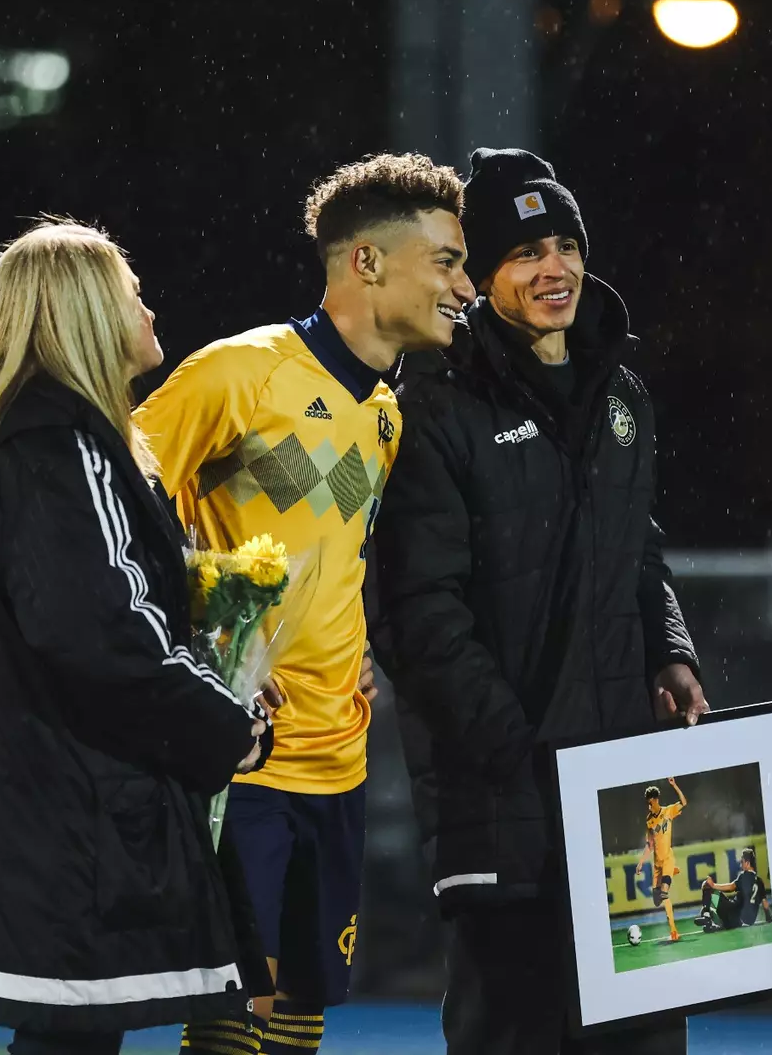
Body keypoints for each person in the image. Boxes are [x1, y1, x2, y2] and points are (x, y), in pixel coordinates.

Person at [133, 153, 474, 1055]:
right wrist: (198, 634)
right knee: (233, 1015)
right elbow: (112, 500)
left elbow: (335, 556)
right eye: (444, 260)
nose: (465, 286)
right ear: (366, 263)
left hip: (339, 751)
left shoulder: (389, 414)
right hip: (243, 752)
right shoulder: (239, 373)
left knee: (299, 1014)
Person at [372, 147, 708, 1055]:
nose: (553, 268)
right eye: (524, 253)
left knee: (643, 1041)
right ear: (480, 278)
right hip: (506, 799)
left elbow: (636, 552)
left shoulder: (622, 395)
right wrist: (519, 749)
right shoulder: (436, 404)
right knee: (516, 1036)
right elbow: (415, 615)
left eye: (564, 244)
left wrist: (669, 651)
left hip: (620, 796)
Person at [0, 220, 273, 1055]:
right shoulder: (59, 446)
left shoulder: (59, 444)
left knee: (70, 1046)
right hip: (75, 822)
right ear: (83, 317)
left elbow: (113, 616)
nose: (148, 307)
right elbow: (104, 632)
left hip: (68, 812)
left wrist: (219, 664)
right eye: (130, 291)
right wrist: (225, 723)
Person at [633, 778, 688, 942]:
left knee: (664, 894)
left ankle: (673, 931)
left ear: (656, 799)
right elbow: (649, 845)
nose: (649, 806)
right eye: (647, 803)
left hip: (667, 858)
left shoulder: (668, 811)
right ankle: (672, 872)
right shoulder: (649, 820)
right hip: (657, 864)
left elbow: (684, 802)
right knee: (657, 900)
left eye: (650, 802)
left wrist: (674, 785)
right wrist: (641, 861)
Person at [696, 849, 772, 932]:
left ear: (747, 863)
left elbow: (731, 887)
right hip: (747, 922)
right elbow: (765, 904)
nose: (740, 865)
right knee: (716, 903)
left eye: (742, 862)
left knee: (708, 888)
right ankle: (713, 923)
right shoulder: (760, 881)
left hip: (735, 916)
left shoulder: (744, 876)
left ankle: (707, 917)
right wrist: (769, 919)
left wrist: (713, 885)